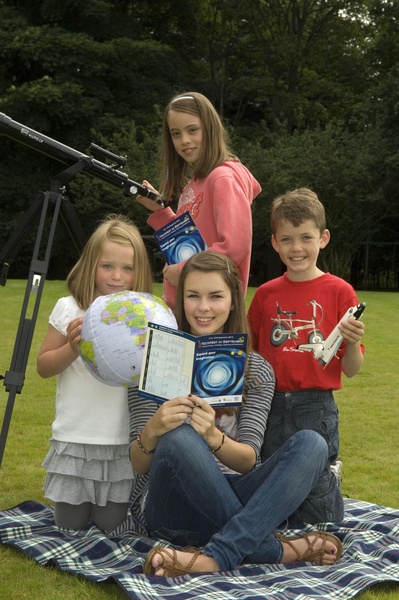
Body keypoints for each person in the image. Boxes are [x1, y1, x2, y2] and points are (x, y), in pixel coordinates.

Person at [128, 250, 343, 576]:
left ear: (232, 302)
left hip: (235, 498)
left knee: (313, 444)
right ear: (180, 301)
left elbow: (247, 460)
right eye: (193, 296)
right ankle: (277, 550)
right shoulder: (154, 357)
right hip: (172, 514)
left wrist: (213, 436)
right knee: (179, 437)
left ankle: (215, 557)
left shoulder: (255, 369)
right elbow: (138, 462)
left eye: (216, 296)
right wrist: (154, 430)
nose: (203, 307)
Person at [248, 188, 365, 525]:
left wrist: (353, 343)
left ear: (323, 238)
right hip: (269, 403)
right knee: (271, 477)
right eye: (287, 239)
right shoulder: (266, 295)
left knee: (320, 508)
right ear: (274, 243)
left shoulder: (339, 291)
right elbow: (251, 355)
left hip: (316, 405)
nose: (296, 248)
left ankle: (324, 512)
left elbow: (352, 370)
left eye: (305, 238)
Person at [37, 214, 153, 531]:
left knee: (110, 528)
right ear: (91, 265)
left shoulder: (144, 316)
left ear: (138, 271)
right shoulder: (70, 307)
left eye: (127, 268)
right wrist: (73, 348)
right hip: (75, 438)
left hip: (120, 441)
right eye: (107, 266)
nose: (116, 276)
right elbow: (43, 366)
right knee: (69, 526)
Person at [135, 91, 261, 311]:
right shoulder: (195, 183)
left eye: (192, 130)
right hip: (187, 307)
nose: (184, 140)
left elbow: (234, 247)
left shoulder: (221, 179)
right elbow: (189, 244)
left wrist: (184, 269)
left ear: (210, 128)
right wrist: (161, 211)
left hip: (209, 312)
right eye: (176, 134)